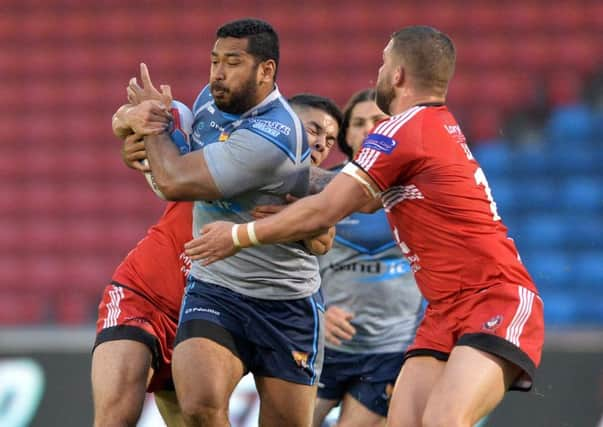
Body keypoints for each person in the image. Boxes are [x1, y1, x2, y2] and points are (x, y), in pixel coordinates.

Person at [186, 26, 545, 427]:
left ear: (398, 75)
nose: (378, 71)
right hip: (444, 312)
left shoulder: (401, 129)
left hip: (494, 297)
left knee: (444, 421)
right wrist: (271, 175)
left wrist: (238, 236)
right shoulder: (436, 125)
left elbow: (327, 209)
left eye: (383, 61)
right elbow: (359, 196)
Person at [130, 18, 335, 427]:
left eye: (232, 63)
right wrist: (144, 125)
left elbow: (175, 180)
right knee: (199, 405)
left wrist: (151, 125)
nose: (218, 74)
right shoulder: (211, 100)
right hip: (217, 287)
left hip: (286, 300)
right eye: (214, 61)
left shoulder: (275, 135)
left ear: (266, 70)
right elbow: (172, 156)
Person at [312, 89, 423, 427]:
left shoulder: (418, 192)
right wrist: (318, 311)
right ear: (345, 135)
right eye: (357, 123)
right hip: (325, 346)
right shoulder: (323, 188)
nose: (368, 128)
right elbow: (291, 263)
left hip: (389, 351)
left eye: (378, 120)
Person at [92, 95, 192, 426]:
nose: (319, 141)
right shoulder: (221, 138)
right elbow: (130, 117)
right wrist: (130, 125)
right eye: (312, 128)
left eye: (327, 137)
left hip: (206, 314)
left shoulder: (306, 197)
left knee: (204, 416)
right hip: (144, 294)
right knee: (116, 417)